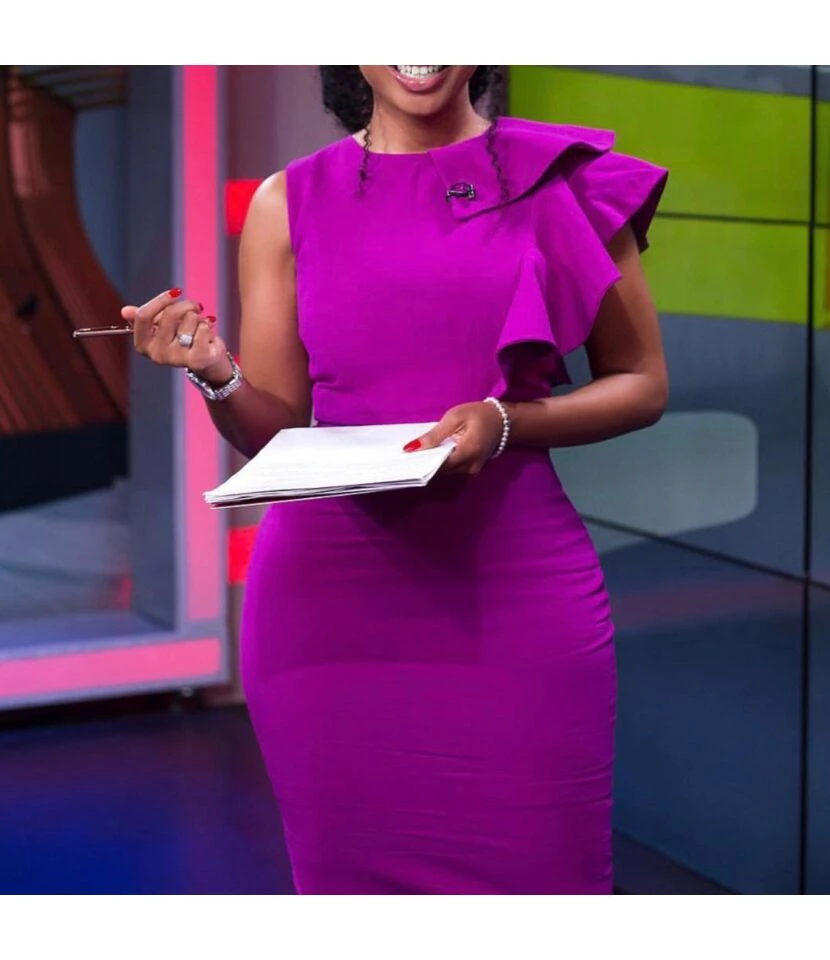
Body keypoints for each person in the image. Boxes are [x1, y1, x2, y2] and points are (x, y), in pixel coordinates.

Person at [124, 65, 668, 894]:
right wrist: (216, 374)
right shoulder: (285, 202)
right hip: (328, 610)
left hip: (513, 594)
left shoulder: (563, 178)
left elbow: (642, 383)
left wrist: (509, 420)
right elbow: (276, 433)